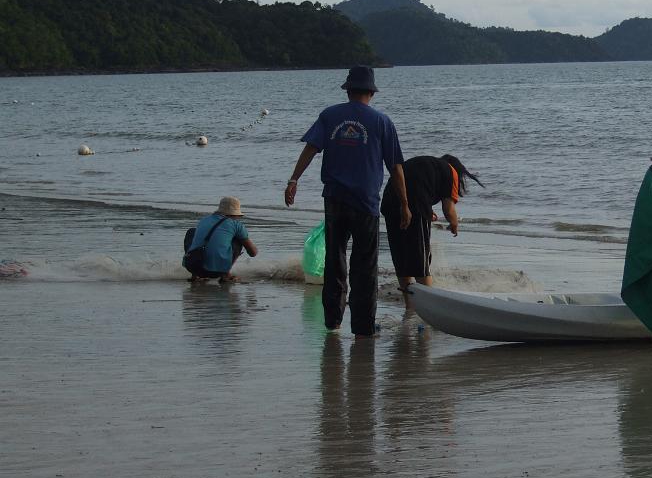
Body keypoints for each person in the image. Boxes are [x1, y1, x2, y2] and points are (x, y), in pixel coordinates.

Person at [284, 66, 412, 335]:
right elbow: (395, 167)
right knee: (365, 266)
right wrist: (404, 204)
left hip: (334, 200)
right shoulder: (381, 122)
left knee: (335, 260)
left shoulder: (330, 115)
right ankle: (363, 326)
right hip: (365, 203)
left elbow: (310, 148)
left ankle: (333, 321)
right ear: (371, 92)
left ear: (349, 90)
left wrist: (293, 180)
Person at [381, 154, 482, 293]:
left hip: (389, 202)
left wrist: (426, 209)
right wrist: (454, 224)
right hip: (414, 206)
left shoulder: (428, 165)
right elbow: (448, 209)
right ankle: (428, 300)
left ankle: (410, 306)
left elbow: (415, 184)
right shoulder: (451, 171)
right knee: (420, 262)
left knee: (401, 258)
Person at [182, 196, 257, 283]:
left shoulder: (204, 220)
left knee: (191, 232)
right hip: (217, 272)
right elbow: (253, 253)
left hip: (193, 267)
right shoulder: (236, 225)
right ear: (235, 214)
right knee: (237, 240)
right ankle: (226, 275)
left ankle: (195, 276)